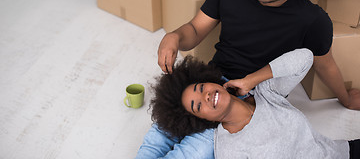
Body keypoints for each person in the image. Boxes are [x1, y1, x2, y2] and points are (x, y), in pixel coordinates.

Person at [136, 0, 360, 158]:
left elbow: (324, 65)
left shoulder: (313, 20)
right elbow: (195, 29)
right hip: (209, 82)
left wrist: (346, 99)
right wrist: (173, 37)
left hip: (256, 99)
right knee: (157, 137)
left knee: (196, 152)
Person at [151, 49, 359, 158]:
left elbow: (304, 57)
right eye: (198, 106)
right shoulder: (229, 149)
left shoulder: (266, 93)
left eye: (201, 88)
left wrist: (250, 80)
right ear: (200, 120)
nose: (205, 96)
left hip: (343, 152)